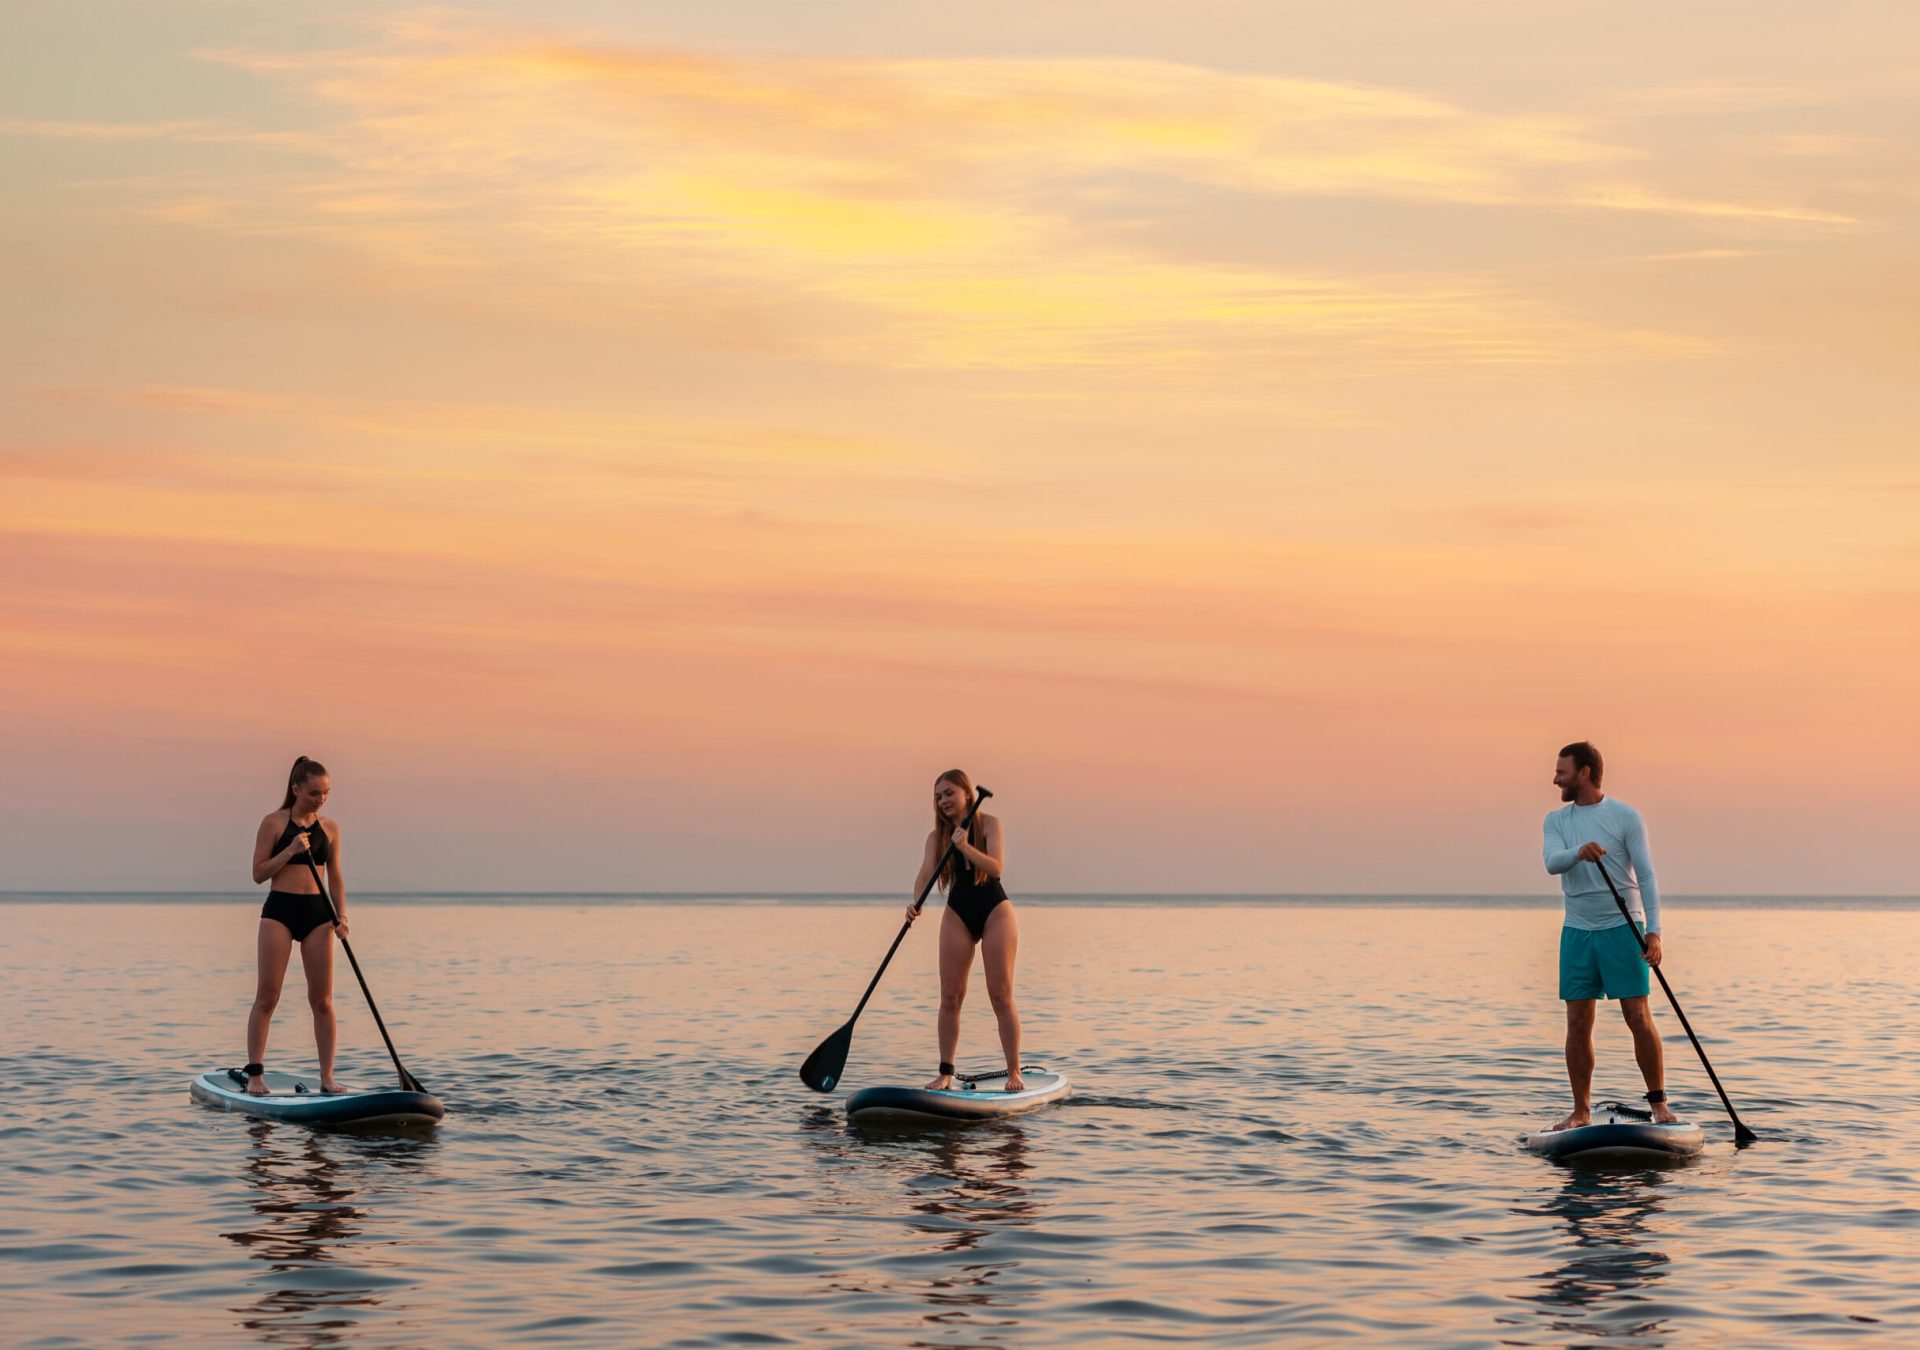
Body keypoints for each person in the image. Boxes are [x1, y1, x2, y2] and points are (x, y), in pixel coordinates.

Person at [1543, 741, 1677, 1129]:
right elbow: (1552, 862)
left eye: (1561, 771)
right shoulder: (1556, 821)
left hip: (1623, 927)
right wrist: (1577, 853)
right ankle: (1580, 1110)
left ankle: (1659, 1106)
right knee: (1577, 1022)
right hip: (1578, 931)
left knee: (1637, 1015)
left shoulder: (1625, 816)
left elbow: (1647, 876)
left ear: (1584, 772)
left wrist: (1654, 933)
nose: (1555, 779)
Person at [903, 770, 1022, 1091]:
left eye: (948, 794)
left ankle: (1014, 1072)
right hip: (958, 911)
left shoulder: (990, 824)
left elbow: (996, 868)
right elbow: (925, 875)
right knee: (950, 996)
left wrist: (965, 846)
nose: (943, 801)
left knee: (1000, 995)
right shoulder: (935, 838)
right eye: (938, 797)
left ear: (967, 794)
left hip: (995, 910)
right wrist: (916, 903)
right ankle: (945, 1073)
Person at [244, 756, 348, 1096]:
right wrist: (289, 850)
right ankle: (256, 1075)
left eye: (326, 793)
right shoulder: (273, 823)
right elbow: (259, 874)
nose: (321, 800)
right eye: (314, 793)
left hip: (319, 915)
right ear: (296, 790)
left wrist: (341, 916)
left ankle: (328, 1078)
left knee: (322, 1000)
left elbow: (335, 876)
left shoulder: (329, 828)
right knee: (267, 997)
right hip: (280, 911)